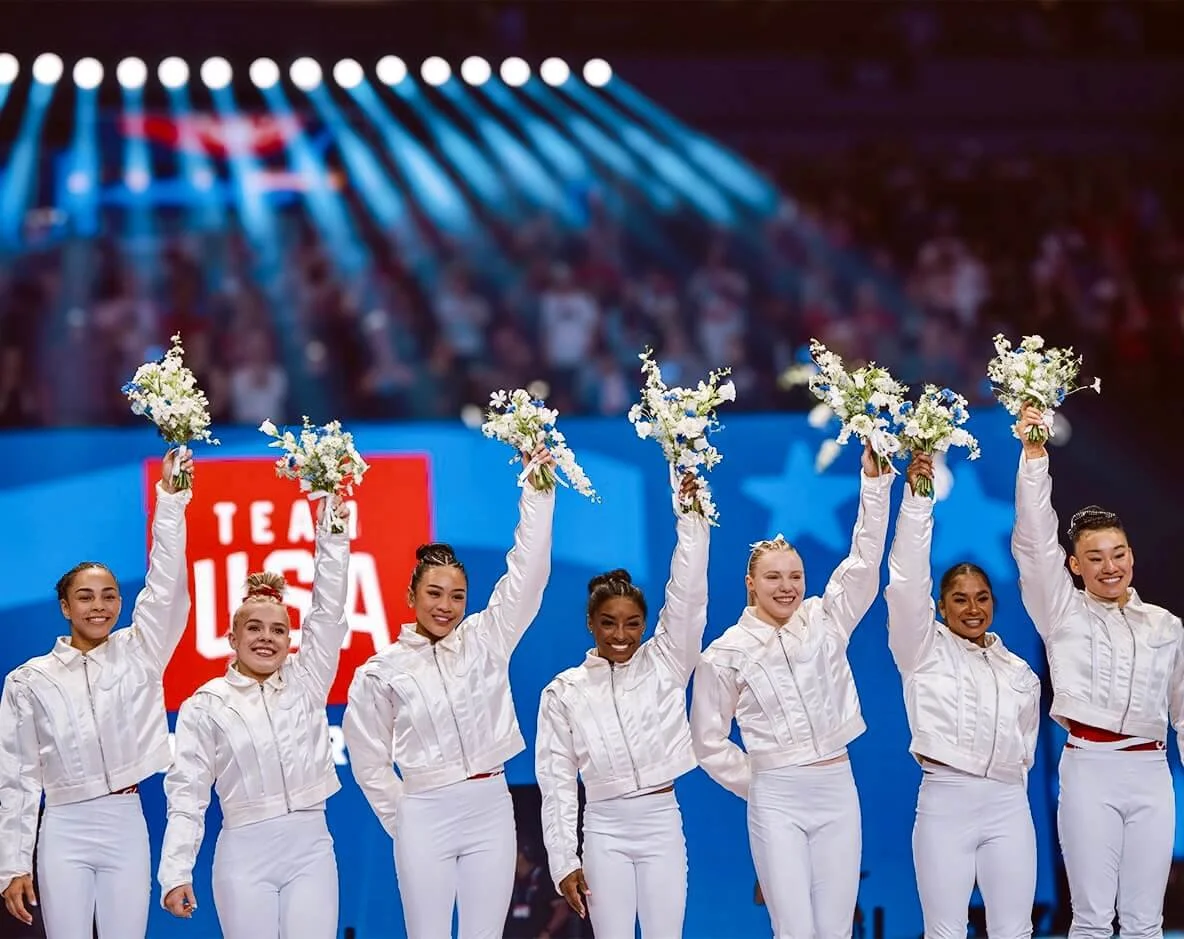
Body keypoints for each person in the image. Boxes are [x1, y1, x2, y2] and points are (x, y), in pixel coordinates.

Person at [343, 447, 556, 939]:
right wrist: (409, 819)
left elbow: (528, 573)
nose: (446, 606)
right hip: (423, 808)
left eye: (457, 595)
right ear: (411, 597)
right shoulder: (382, 671)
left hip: (490, 805)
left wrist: (538, 490)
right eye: (434, 594)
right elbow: (369, 761)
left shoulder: (488, 638)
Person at [691, 441, 892, 939]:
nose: (787, 587)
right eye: (774, 577)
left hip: (837, 788)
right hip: (776, 797)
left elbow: (864, 564)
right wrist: (758, 781)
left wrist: (875, 486)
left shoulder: (826, 619)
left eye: (796, 576)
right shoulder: (725, 653)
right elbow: (707, 741)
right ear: (750, 584)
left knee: (835, 930)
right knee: (795, 930)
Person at [0, 450, 194, 938]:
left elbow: (166, 587)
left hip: (126, 821)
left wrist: (170, 503)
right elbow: (17, 777)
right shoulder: (30, 681)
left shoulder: (141, 651)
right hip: (63, 825)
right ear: (65, 606)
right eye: (85, 596)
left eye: (109, 595)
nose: (99, 605)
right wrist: (12, 864)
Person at [1011, 405, 1184, 939]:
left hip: (1153, 774)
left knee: (1145, 921)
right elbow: (1033, 543)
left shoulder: (1167, 626)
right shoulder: (1061, 611)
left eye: (1119, 554)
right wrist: (1034, 457)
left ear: (1132, 555)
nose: (1110, 566)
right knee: (1090, 919)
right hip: (1090, 769)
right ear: (1074, 565)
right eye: (1096, 557)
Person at [157, 498, 351, 939]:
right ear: (232, 636)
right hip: (244, 854)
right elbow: (186, 794)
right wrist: (175, 871)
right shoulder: (205, 705)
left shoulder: (308, 679)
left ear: (290, 638)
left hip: (311, 847)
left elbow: (329, 609)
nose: (267, 638)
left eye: (278, 629)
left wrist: (333, 522)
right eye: (254, 627)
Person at [536, 473, 708, 939]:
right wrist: (564, 861)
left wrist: (692, 520)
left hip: (661, 822)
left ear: (646, 625)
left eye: (633, 624)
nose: (620, 635)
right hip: (604, 831)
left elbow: (688, 598)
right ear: (590, 623)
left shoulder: (666, 663)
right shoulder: (563, 692)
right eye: (609, 623)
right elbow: (555, 784)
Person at [886, 451, 1041, 939]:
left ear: (993, 603)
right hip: (945, 800)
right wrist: (916, 502)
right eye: (959, 598)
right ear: (940, 605)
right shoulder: (921, 649)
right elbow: (906, 581)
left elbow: (1026, 746)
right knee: (945, 931)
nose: (972, 608)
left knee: (1014, 931)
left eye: (981, 598)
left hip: (1008, 804)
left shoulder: (1020, 672)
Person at [503, 841, 571, 939]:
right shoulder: (509, 880)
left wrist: (547, 931)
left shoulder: (543, 878)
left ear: (521, 854)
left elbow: (562, 909)